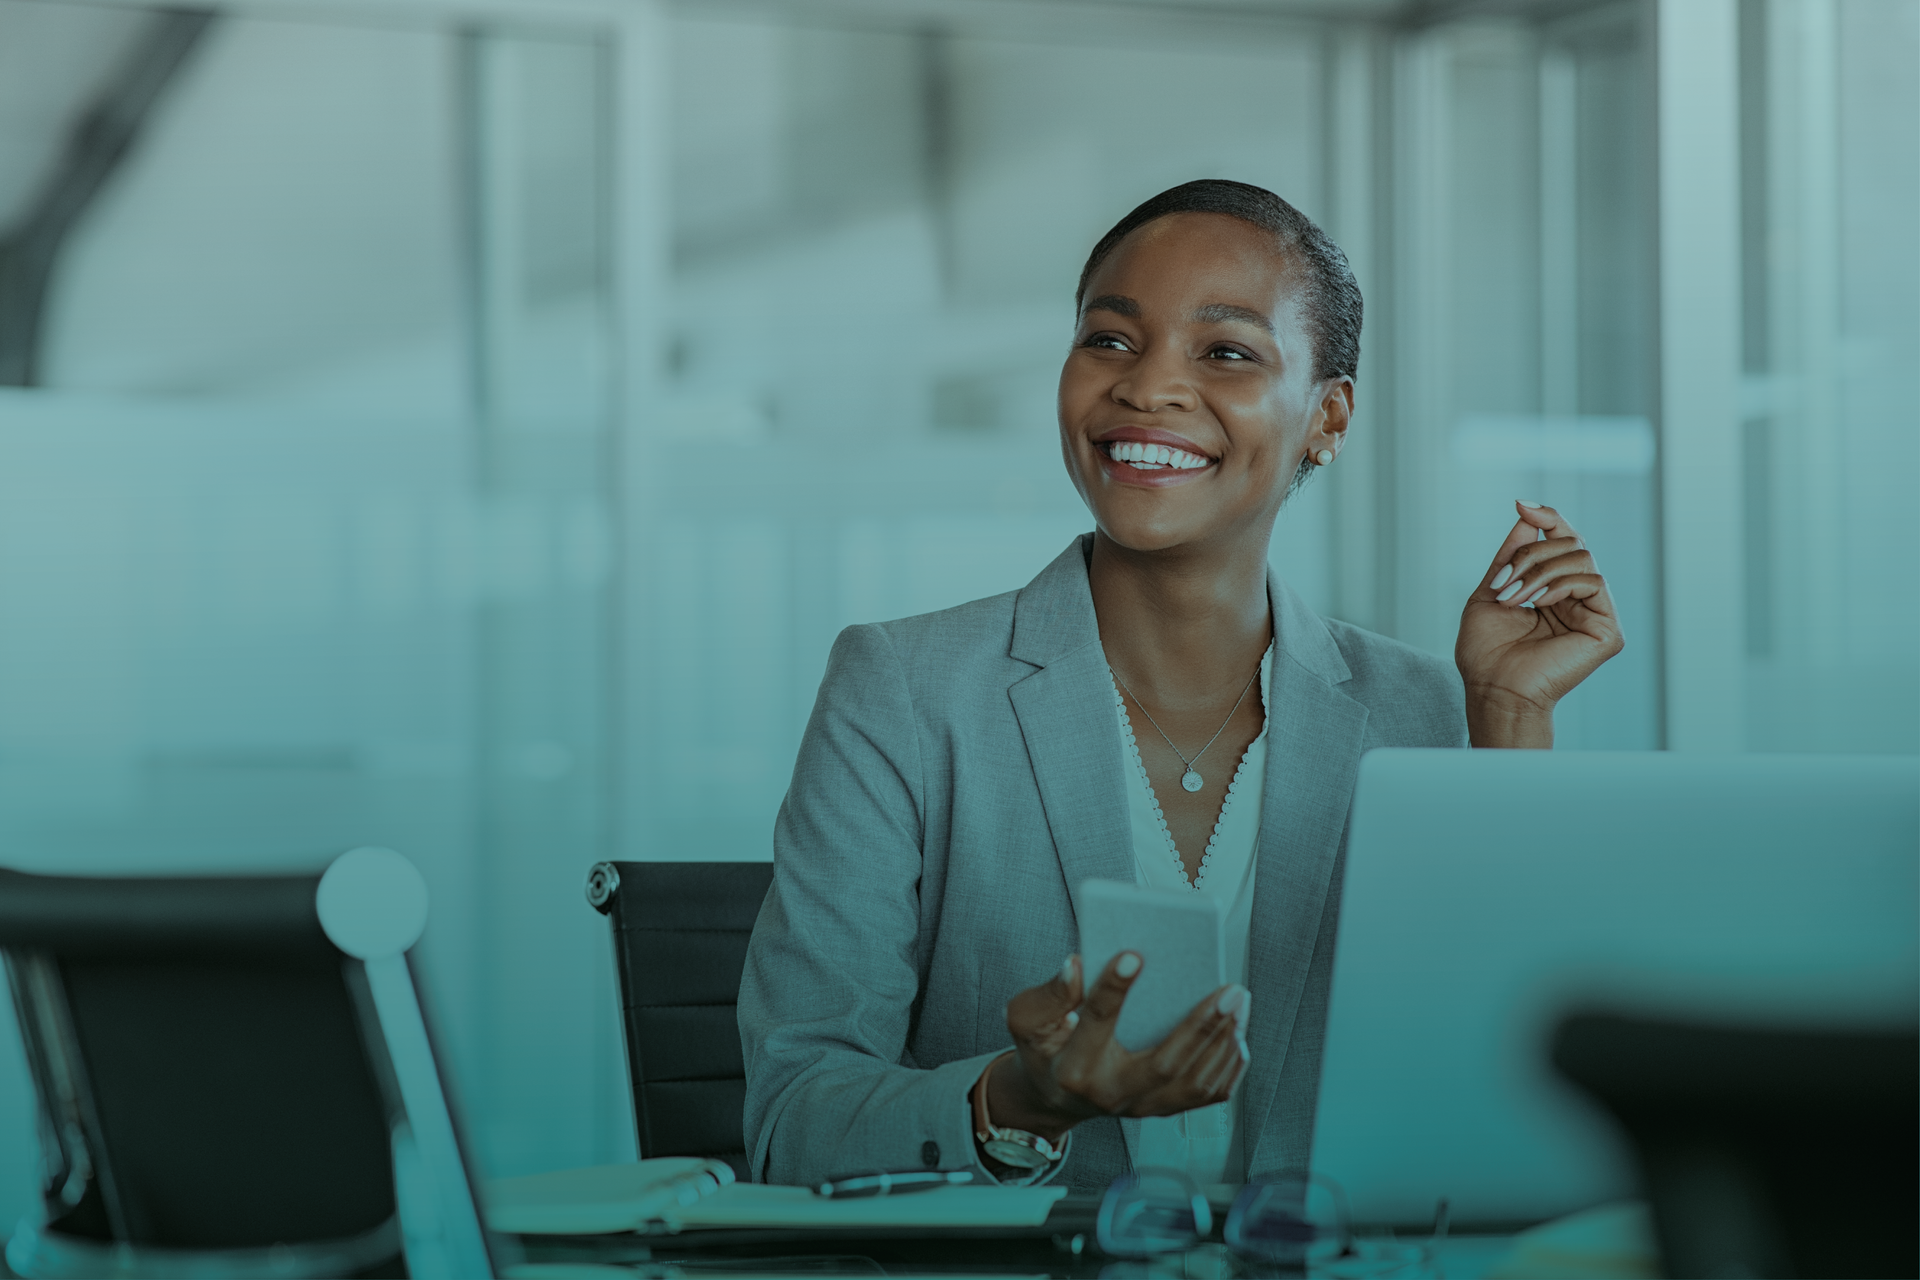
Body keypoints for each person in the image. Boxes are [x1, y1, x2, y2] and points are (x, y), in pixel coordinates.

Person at [738, 180, 1623, 1192]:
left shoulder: (1424, 712)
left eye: (1226, 351)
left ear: (1328, 416)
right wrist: (1023, 1099)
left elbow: (1513, 1096)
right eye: (1109, 340)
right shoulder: (901, 690)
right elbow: (790, 1119)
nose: (1148, 387)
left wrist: (1508, 719)